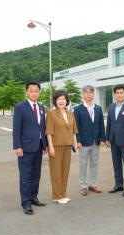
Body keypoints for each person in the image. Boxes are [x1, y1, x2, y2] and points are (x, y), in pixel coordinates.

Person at [13, 81, 48, 215]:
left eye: (36, 90)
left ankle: (34, 197)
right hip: (25, 148)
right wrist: (17, 146)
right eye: (31, 90)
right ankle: (26, 203)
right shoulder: (20, 107)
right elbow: (17, 129)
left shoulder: (41, 107)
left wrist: (45, 145)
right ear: (26, 92)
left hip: (38, 147)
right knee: (25, 176)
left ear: (39, 92)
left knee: (36, 175)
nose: (34, 93)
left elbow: (42, 127)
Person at [46, 90, 78, 204]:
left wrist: (75, 142)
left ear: (67, 100)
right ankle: (57, 195)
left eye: (63, 99)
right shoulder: (51, 113)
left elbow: (73, 130)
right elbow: (49, 132)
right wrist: (51, 147)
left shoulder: (70, 113)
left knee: (65, 171)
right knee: (56, 172)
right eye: (59, 99)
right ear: (55, 101)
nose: (61, 101)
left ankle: (63, 194)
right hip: (56, 145)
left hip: (67, 145)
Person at [74, 85, 106, 196]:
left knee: (94, 164)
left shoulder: (98, 108)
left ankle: (93, 184)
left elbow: (101, 125)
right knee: (83, 164)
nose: (88, 94)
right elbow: (76, 127)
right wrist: (78, 140)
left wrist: (103, 138)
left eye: (90, 92)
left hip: (96, 141)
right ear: (83, 94)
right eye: (86, 92)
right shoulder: (78, 109)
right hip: (83, 142)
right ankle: (83, 186)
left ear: (93, 94)